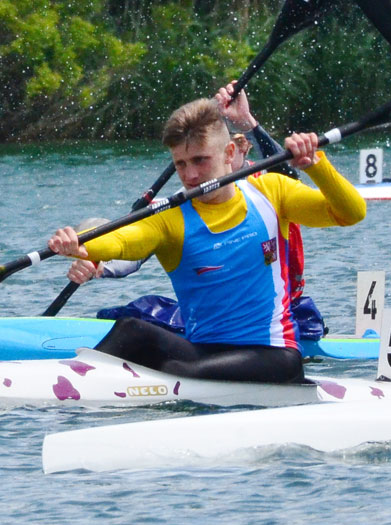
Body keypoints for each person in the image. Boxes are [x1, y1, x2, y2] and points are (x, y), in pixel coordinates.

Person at [48, 97, 365, 382]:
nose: (190, 175)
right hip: (203, 352)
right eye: (181, 164)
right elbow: (125, 241)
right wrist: (82, 244)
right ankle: (67, 381)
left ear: (230, 153)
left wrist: (316, 166)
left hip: (274, 356)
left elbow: (351, 212)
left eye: (200, 160)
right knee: (131, 329)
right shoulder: (171, 215)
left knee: (177, 371)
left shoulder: (271, 192)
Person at [65, 84, 329, 343]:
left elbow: (288, 171)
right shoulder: (190, 194)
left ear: (233, 151)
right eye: (186, 162)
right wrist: (97, 260)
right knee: (129, 315)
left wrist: (249, 123)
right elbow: (138, 245)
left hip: (278, 317)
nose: (194, 173)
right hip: (219, 322)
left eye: (243, 145)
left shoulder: (266, 185)